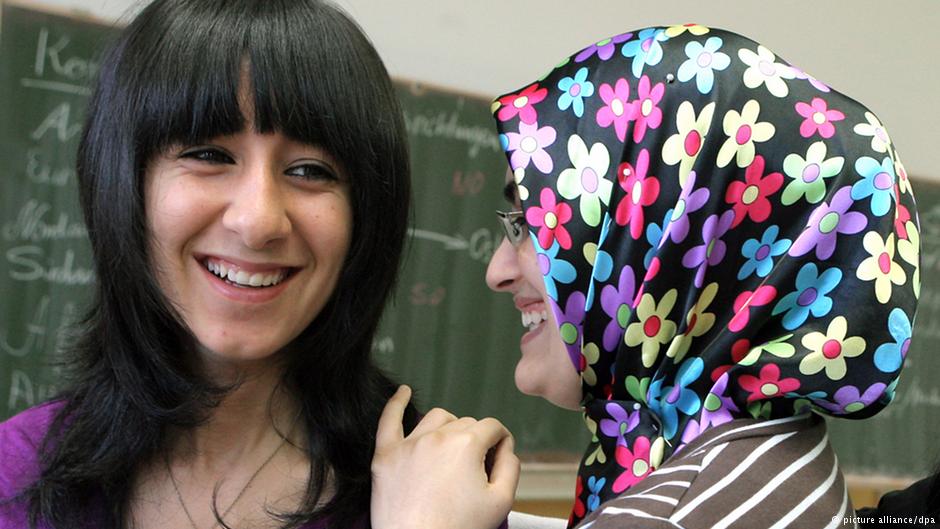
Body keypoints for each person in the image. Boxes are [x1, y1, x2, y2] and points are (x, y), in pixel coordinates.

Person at [375, 23, 920, 529]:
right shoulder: (774, 461)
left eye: (531, 223)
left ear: (675, 244)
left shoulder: (670, 518)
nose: (496, 270)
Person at [0, 1, 511, 527]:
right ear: (124, 183)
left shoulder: (443, 493)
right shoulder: (14, 476)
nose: (259, 220)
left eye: (310, 170)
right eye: (209, 155)